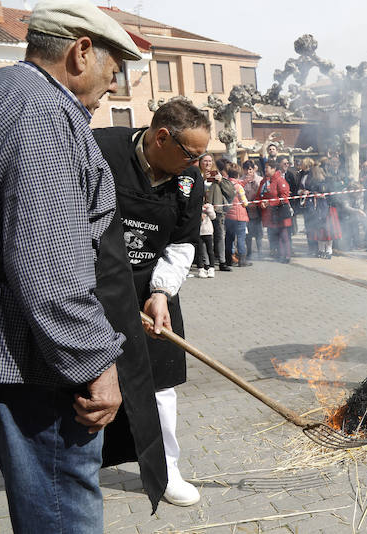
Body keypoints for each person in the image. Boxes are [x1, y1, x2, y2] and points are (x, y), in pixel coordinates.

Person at [0, 2, 158, 529]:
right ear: (80, 52)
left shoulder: (9, 95)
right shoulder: (42, 112)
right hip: (39, 368)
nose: (113, 87)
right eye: (113, 73)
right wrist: (93, 362)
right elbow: (48, 265)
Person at [94, 99, 211, 507]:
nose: (197, 163)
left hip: (151, 293)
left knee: (160, 385)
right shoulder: (101, 149)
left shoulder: (188, 181)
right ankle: (83, 463)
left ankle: (166, 469)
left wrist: (160, 292)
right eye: (192, 154)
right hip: (92, 288)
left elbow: (183, 242)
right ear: (162, 137)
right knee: (87, 378)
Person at [258, 159, 293, 263]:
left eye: (267, 168)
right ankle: (279, 254)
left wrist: (270, 203)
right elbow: (260, 195)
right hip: (271, 213)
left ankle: (286, 255)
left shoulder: (280, 180)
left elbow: (284, 197)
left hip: (281, 212)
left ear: (273, 169)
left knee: (284, 235)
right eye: (264, 168)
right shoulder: (265, 181)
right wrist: (261, 202)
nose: (265, 170)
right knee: (275, 235)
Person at [223, 162, 251, 267]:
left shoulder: (225, 184)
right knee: (240, 238)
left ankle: (228, 259)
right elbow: (245, 202)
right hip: (239, 216)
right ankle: (242, 260)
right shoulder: (238, 186)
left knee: (229, 238)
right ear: (238, 174)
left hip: (228, 215)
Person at [242, 159, 264, 260]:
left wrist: (256, 203)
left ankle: (260, 252)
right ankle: (249, 252)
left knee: (259, 232)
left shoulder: (260, 180)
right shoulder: (242, 180)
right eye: (246, 170)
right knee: (248, 233)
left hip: (257, 209)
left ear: (253, 169)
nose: (248, 172)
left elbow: (262, 193)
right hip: (246, 209)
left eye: (250, 169)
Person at [197, 196, 216, 278]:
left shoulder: (209, 206)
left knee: (210, 251)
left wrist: (209, 210)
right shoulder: (195, 205)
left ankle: (211, 268)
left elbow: (213, 217)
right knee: (200, 252)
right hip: (198, 232)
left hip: (208, 231)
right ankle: (201, 269)